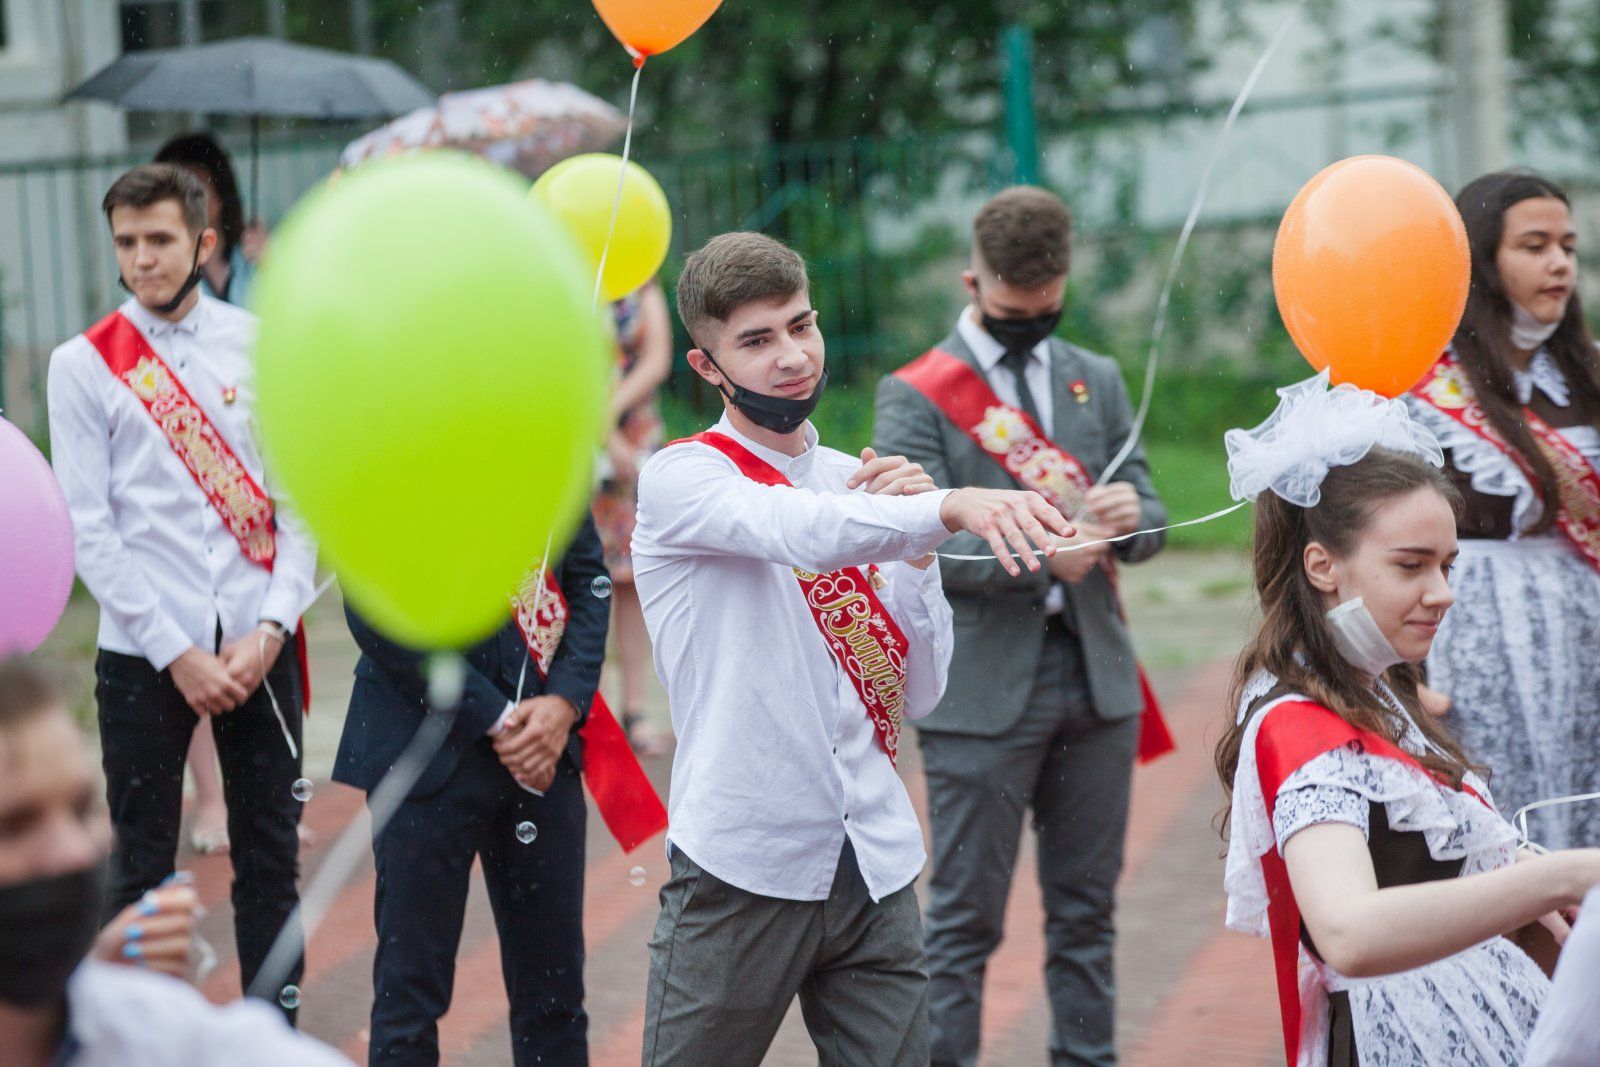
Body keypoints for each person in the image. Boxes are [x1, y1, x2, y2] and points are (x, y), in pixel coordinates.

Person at [631, 231, 1076, 1067]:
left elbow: (920, 693)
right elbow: (795, 528)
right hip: (744, 860)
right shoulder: (683, 477)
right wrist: (943, 508)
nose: (792, 356)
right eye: (756, 340)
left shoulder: (857, 484)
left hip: (872, 857)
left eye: (801, 325)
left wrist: (918, 558)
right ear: (705, 366)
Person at [1218, 375, 1600, 1066]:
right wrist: (1560, 877)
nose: (1443, 592)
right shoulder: (1298, 724)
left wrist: (1520, 873)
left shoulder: (1375, 688)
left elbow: (1427, 864)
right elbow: (1350, 932)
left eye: (1447, 565)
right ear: (1322, 565)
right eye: (1411, 566)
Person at [872, 185, 1167, 1067]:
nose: (1032, 323)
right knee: (963, 922)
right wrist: (1043, 556)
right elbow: (911, 540)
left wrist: (1131, 518)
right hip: (979, 693)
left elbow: (1148, 510)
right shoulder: (914, 394)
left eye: (1046, 307)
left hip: (1095, 680)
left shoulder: (1095, 375)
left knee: (1087, 914)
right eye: (1013, 310)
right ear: (973, 283)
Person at [45, 164, 316, 1013]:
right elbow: (89, 528)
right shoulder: (81, 364)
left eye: (159, 239)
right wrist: (178, 653)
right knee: (141, 868)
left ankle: (275, 1035)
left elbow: (299, 502)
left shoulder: (264, 344)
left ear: (203, 242)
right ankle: (141, 1036)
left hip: (257, 642)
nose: (142, 258)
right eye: (126, 242)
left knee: (270, 858)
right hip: (143, 653)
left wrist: (273, 626)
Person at [334, 514, 608, 1067]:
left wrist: (564, 703)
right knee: (409, 998)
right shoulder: (381, 461)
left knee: (555, 997)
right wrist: (496, 717)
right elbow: (373, 606)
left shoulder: (550, 463)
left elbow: (587, 581)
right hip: (422, 748)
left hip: (542, 749)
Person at [0, 656, 349, 1067]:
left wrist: (101, 983)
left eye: (81, 809)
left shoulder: (143, 1025)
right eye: (14, 825)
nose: (74, 851)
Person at [1404, 171, 1600, 850]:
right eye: (1534, 246)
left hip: (1586, 638)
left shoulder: (1586, 375)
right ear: (1481, 260)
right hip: (1472, 641)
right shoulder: (1421, 385)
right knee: (1500, 830)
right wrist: (1399, 675)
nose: (1559, 263)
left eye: (1568, 247)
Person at [154, 133, 271, 856]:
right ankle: (213, 798)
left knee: (258, 643)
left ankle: (263, 798)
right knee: (194, 647)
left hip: (251, 486)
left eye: (204, 183)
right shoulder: (155, 281)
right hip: (187, 482)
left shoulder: (256, 266)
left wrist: (265, 270)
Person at [593, 280, 673, 755]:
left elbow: (657, 358)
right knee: (578, 578)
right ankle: (586, 713)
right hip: (571, 433)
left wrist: (609, 414)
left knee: (630, 577)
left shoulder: (640, 284)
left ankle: (636, 710)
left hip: (633, 438)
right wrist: (598, 429)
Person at [155, 133, 267, 308]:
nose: (183, 203)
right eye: (172, 193)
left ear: (220, 194)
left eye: (195, 190)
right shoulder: (154, 272)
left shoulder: (258, 255)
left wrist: (275, 265)